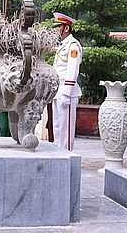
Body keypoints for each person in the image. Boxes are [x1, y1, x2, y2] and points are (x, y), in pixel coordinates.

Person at [51, 12, 83, 151]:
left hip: (66, 92)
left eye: (58, 26)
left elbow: (72, 70)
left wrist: (66, 93)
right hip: (58, 90)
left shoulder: (73, 46)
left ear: (66, 28)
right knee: (57, 126)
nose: (55, 30)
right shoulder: (63, 45)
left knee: (66, 129)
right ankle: (59, 152)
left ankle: (67, 155)